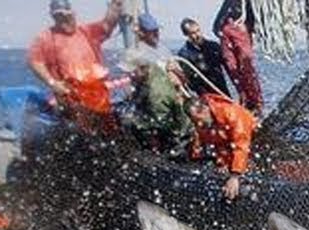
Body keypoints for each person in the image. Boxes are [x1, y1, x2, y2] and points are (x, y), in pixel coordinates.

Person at [27, 0, 124, 132]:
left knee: (111, 129)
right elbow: (34, 62)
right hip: (72, 101)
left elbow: (108, 24)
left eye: (66, 15)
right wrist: (53, 83)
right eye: (58, 16)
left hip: (98, 99)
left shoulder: (87, 32)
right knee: (83, 134)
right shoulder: (45, 38)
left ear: (73, 14)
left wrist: (116, 6)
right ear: (53, 17)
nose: (63, 19)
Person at [120, 48, 192, 154]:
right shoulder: (152, 69)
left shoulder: (156, 94)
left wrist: (134, 120)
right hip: (167, 117)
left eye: (130, 72)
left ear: (142, 69)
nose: (128, 76)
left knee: (129, 123)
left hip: (178, 134)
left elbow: (162, 124)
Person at [187, 93, 256, 200]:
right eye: (195, 122)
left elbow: (241, 146)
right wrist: (221, 163)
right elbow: (219, 144)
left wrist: (235, 176)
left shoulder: (231, 114)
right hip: (235, 149)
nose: (199, 124)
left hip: (255, 141)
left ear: (205, 109)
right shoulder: (205, 123)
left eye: (199, 119)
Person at [215, 3, 263, 114]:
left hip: (240, 27)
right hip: (225, 28)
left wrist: (251, 26)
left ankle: (256, 103)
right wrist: (218, 25)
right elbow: (226, 5)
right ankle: (244, 98)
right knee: (231, 67)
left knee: (246, 66)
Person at [178, 18, 232, 99]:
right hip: (206, 96)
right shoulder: (184, 55)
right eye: (193, 33)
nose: (197, 35)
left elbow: (228, 67)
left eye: (198, 30)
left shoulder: (213, 47)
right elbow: (189, 81)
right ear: (186, 35)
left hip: (222, 90)